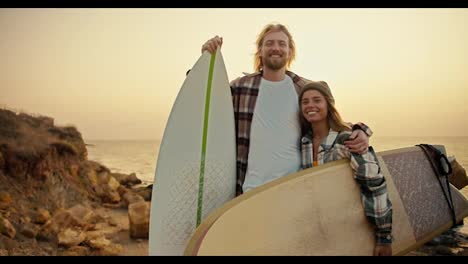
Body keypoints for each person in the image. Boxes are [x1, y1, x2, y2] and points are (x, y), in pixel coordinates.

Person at [201, 23, 373, 196]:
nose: (276, 48)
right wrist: (207, 60)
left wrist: (361, 131)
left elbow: (331, 124)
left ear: (290, 52)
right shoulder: (241, 87)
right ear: (260, 50)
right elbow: (206, 101)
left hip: (296, 188)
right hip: (250, 191)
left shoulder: (304, 88)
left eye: (282, 44)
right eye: (269, 43)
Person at [298, 80, 393, 256]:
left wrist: (383, 237)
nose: (310, 105)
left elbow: (374, 186)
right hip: (319, 231)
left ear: (329, 104)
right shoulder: (304, 142)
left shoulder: (347, 140)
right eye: (305, 101)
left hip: (351, 227)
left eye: (317, 100)